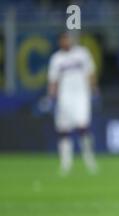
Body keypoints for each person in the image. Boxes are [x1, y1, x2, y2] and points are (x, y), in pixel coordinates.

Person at [47, 32, 98, 175]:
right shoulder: (56, 59)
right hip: (64, 98)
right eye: (63, 40)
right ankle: (65, 163)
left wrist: (94, 90)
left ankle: (89, 160)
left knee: (83, 127)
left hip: (81, 96)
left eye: (67, 39)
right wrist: (51, 97)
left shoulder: (82, 54)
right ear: (59, 42)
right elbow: (53, 81)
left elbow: (91, 72)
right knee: (64, 130)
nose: (65, 42)